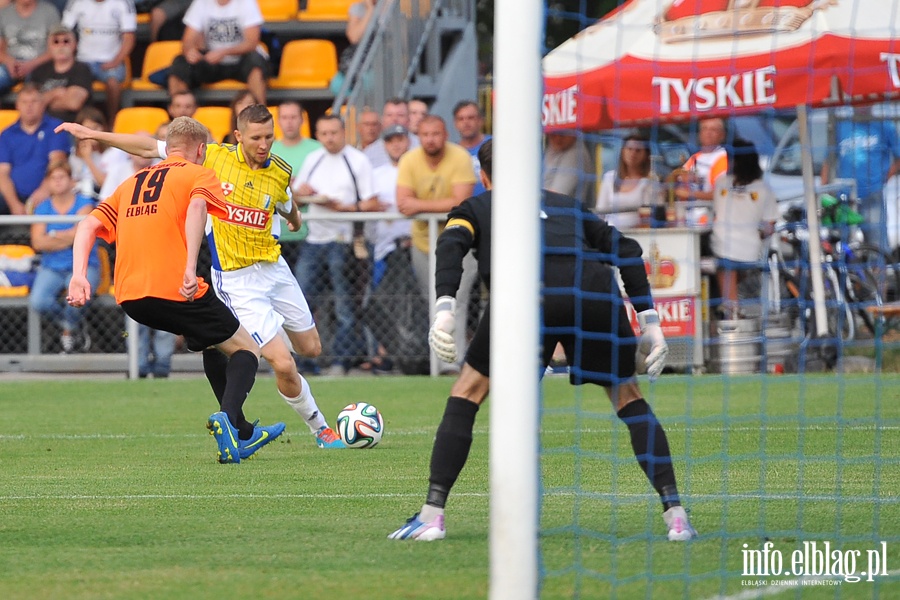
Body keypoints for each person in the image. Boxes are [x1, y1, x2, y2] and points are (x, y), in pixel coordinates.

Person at [388, 139, 697, 542]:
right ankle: (676, 515)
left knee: (467, 392)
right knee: (628, 397)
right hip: (592, 290)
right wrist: (650, 319)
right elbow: (626, 249)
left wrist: (445, 308)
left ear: (483, 178)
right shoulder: (568, 205)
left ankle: (432, 515)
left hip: (524, 295)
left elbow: (451, 245)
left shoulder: (477, 207)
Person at [58, 106, 348, 450]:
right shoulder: (209, 158)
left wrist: (296, 218)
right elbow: (146, 146)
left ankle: (237, 420)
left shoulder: (280, 169)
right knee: (280, 362)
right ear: (238, 136)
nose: (264, 144)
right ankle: (321, 430)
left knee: (310, 349)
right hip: (236, 278)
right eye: (256, 137)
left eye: (269, 137)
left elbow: (285, 201)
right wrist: (94, 135)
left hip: (274, 267)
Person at [66, 116, 280, 464]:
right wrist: (187, 270)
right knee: (247, 351)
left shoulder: (131, 182)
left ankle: (242, 430)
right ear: (200, 149)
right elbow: (197, 208)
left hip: (131, 297)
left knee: (212, 342)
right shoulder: (198, 173)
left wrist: (79, 275)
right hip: (176, 287)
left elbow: (88, 224)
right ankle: (229, 421)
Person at [292, 114, 383, 376]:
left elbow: (372, 202)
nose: (329, 138)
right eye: (323, 134)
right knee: (302, 301)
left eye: (333, 133)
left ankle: (342, 361)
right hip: (314, 239)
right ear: (318, 136)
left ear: (343, 132)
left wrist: (344, 208)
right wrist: (304, 194)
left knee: (345, 304)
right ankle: (305, 361)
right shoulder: (313, 158)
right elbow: (296, 196)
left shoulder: (357, 160)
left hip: (343, 240)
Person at [396, 114, 476, 372]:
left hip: (460, 241)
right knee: (433, 301)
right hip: (423, 242)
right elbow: (402, 202)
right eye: (425, 134)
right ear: (418, 137)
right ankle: (437, 363)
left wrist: (420, 206)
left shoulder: (461, 157)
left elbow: (460, 201)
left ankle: (453, 363)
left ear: (446, 134)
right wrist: (438, 206)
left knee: (457, 300)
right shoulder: (409, 160)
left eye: (435, 134)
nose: (430, 139)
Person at [99, 126, 178, 377]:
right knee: (135, 309)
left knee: (166, 307)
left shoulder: (167, 172)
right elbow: (105, 209)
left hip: (164, 249)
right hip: (130, 250)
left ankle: (163, 365)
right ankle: (139, 366)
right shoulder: (118, 173)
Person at [29, 160, 99, 353]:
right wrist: (71, 236)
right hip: (51, 266)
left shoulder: (84, 203)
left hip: (84, 264)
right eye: (53, 178)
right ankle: (71, 328)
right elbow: (38, 243)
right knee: (39, 301)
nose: (58, 182)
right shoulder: (43, 207)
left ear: (71, 180)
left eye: (62, 177)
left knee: (77, 296)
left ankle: (68, 333)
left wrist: (53, 236)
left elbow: (83, 233)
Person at [363, 123, 414, 373]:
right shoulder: (377, 172)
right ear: (385, 144)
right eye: (391, 140)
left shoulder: (417, 168)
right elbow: (366, 202)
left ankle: (414, 353)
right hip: (384, 248)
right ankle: (385, 354)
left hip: (414, 246)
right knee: (383, 302)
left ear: (408, 141)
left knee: (415, 302)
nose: (396, 144)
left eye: (400, 139)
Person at [711, 139, 778, 319]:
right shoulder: (764, 188)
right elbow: (769, 227)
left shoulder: (721, 183)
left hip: (722, 247)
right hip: (751, 251)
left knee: (723, 262)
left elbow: (717, 213)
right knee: (730, 262)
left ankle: (730, 310)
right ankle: (728, 305)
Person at [821, 105, 900, 253]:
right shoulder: (841, 125)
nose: (861, 105)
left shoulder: (884, 125)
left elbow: (898, 157)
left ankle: (878, 274)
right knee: (840, 244)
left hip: (872, 194)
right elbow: (829, 159)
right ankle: (848, 274)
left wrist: (885, 177)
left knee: (877, 244)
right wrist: (823, 189)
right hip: (843, 196)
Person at [167, 0, 269, 104]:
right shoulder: (201, 3)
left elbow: (251, 42)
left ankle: (259, 115)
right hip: (211, 61)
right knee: (180, 63)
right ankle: (179, 116)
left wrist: (224, 52)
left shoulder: (246, 3)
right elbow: (188, 39)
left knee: (256, 63)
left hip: (240, 61)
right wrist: (190, 52)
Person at [0, 83, 69, 217]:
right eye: (24, 102)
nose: (29, 106)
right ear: (17, 105)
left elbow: (57, 164)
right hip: (12, 197)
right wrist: (14, 203)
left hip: (48, 193)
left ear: (43, 104)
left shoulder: (56, 128)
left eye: (34, 101)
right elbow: (2, 173)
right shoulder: (7, 134)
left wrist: (44, 191)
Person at [61, 0, 136, 123]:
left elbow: (129, 37)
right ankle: (78, 123)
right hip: (82, 61)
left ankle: (113, 123)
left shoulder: (123, 2)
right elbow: (64, 33)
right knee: (74, 84)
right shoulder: (76, 2)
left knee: (113, 81)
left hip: (111, 60)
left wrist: (116, 61)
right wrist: (71, 59)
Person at [271, 99, 321, 263]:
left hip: (309, 232)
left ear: (302, 119)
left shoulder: (317, 149)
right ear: (278, 121)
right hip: (274, 233)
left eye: (293, 117)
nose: (289, 122)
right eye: (284, 117)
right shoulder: (268, 151)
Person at [30, 25, 94, 123]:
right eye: (56, 42)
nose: (61, 46)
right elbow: (30, 104)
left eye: (66, 41)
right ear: (49, 46)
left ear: (75, 44)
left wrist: (45, 100)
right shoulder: (39, 71)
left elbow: (73, 103)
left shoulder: (82, 69)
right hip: (43, 127)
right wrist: (56, 93)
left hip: (72, 127)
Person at [595, 134, 656, 229]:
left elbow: (650, 213)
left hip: (638, 233)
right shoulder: (609, 177)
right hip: (611, 233)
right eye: (629, 149)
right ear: (622, 151)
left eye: (638, 150)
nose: (633, 153)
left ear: (645, 155)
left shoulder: (649, 180)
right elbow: (600, 211)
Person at [0, 0, 60, 96]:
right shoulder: (3, 14)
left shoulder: (49, 12)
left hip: (39, 64)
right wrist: (9, 61)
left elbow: (56, 48)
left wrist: (31, 64)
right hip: (11, 65)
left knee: (35, 90)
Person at [69, 106, 130, 200]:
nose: (92, 132)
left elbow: (107, 185)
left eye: (96, 128)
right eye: (88, 128)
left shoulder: (114, 152)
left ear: (103, 128)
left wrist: (88, 159)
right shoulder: (74, 154)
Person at [677, 117, 728, 203]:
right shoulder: (695, 157)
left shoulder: (723, 157)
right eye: (704, 128)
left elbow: (721, 193)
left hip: (711, 213)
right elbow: (678, 184)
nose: (708, 133)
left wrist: (690, 194)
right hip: (689, 213)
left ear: (722, 135)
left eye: (713, 129)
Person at [330, 0, 375, 96]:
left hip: (380, 61)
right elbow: (354, 37)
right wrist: (370, 10)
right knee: (337, 84)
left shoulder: (393, 7)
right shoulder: (358, 8)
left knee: (368, 82)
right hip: (361, 61)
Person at [365, 98, 421, 169]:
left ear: (408, 119)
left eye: (400, 115)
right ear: (382, 119)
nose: (394, 119)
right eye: (389, 115)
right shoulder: (370, 154)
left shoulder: (421, 147)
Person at [542, 131, 594, 205]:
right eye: (553, 134)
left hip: (562, 212)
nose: (558, 139)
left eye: (562, 134)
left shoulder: (575, 154)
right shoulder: (552, 149)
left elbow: (555, 195)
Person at [452, 100, 491, 195]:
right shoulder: (450, 152)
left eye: (471, 118)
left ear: (481, 120)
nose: (466, 123)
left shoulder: (495, 145)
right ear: (455, 123)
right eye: (461, 119)